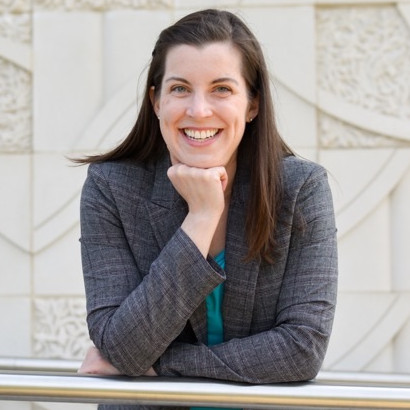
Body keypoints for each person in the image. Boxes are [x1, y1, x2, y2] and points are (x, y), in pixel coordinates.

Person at [77, 8, 338, 410]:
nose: (199, 110)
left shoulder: (300, 189)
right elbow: (122, 345)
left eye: (221, 89)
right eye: (180, 88)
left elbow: (302, 348)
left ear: (252, 104)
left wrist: (161, 365)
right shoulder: (112, 188)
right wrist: (200, 218)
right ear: (156, 102)